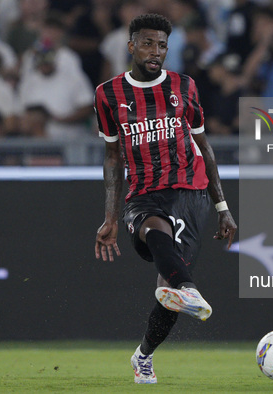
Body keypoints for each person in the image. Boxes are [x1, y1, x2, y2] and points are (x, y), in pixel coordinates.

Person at [93, 13, 237, 384]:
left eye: (162, 45)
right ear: (131, 46)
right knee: (156, 231)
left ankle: (143, 355)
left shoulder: (184, 87)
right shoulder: (108, 94)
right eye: (148, 44)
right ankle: (190, 290)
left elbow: (204, 146)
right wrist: (110, 217)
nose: (156, 52)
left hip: (190, 193)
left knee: (166, 290)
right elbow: (112, 156)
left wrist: (222, 207)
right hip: (142, 194)